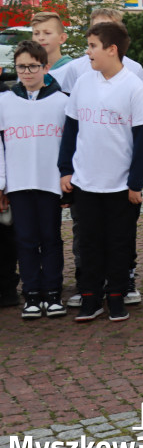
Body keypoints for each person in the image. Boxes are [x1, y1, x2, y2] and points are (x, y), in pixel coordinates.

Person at [58, 22, 143, 323]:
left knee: (119, 243)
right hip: (85, 182)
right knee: (88, 243)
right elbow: (71, 129)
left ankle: (116, 297)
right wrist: (65, 169)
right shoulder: (84, 83)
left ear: (111, 50)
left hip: (119, 185)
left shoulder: (134, 88)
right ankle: (90, 298)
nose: (87, 52)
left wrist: (135, 182)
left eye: (92, 46)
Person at [0, 41, 69, 318]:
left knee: (51, 238)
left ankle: (52, 293)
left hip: (50, 182)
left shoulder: (62, 100)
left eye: (32, 66)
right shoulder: (5, 101)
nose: (27, 73)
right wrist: (1, 183)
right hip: (18, 183)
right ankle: (31, 294)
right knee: (25, 239)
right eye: (21, 67)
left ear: (46, 67)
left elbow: (69, 145)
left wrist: (67, 180)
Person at [29, 12, 72, 86]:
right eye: (36, 33)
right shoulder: (26, 71)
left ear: (62, 38)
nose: (41, 38)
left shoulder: (72, 70)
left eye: (47, 33)